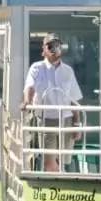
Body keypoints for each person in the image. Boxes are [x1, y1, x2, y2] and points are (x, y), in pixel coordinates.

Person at [22, 34, 83, 172]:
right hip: (46, 120)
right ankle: (55, 187)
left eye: (57, 46)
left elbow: (74, 99)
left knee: (63, 161)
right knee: (49, 163)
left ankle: (61, 189)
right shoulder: (36, 68)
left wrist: (76, 124)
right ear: (43, 50)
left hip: (66, 121)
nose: (55, 49)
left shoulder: (68, 71)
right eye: (50, 46)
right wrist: (26, 101)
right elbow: (29, 87)